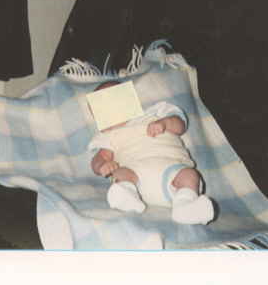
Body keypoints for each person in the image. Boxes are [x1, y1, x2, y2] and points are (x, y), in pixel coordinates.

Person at [89, 82, 215, 225]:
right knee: (121, 173)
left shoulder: (156, 113)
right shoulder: (108, 136)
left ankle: (185, 204)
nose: (110, 111)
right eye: (100, 110)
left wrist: (165, 123)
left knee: (190, 175)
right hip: (135, 180)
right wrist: (102, 166)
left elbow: (180, 125)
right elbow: (99, 158)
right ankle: (126, 196)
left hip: (173, 172)